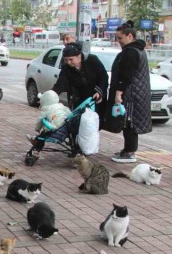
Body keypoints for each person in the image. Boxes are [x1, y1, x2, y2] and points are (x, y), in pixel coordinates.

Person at [108, 20, 152, 163]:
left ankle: (129, 152)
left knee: (129, 122)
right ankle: (128, 149)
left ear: (130, 36)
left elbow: (126, 75)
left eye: (120, 38)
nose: (118, 41)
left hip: (131, 94)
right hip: (137, 93)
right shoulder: (139, 50)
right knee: (129, 122)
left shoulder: (131, 52)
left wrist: (118, 93)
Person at [52, 43, 109, 123]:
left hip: (94, 99)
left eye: (71, 59)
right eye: (66, 60)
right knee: (78, 123)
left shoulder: (92, 60)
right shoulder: (66, 67)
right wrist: (50, 96)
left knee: (94, 123)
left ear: (79, 56)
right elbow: (60, 84)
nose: (68, 62)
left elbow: (104, 77)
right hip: (78, 100)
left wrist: (99, 92)